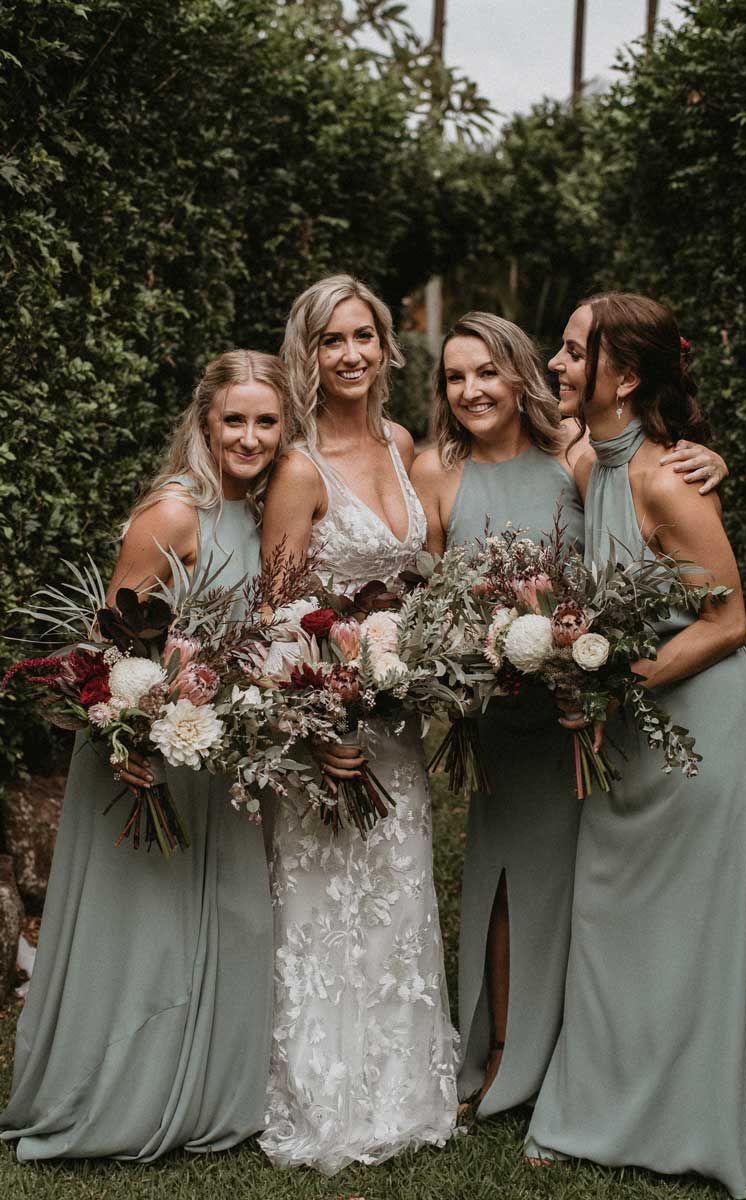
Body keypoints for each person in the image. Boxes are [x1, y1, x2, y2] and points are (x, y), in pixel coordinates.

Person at [411, 311, 728, 1126]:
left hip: (585, 711)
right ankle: (506, 1050)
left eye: (488, 371)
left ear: (521, 376)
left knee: (586, 886)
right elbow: (423, 599)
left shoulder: (577, 459)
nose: (472, 389)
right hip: (502, 716)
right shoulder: (434, 473)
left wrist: (711, 458)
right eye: (455, 376)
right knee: (508, 886)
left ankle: (582, 1055)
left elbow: (647, 513)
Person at [527, 292, 746, 1197]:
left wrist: (613, 684)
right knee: (612, 917)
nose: (558, 364)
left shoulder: (660, 478)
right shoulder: (588, 460)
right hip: (634, 727)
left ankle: (689, 1118)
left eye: (574, 352)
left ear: (625, 376)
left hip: (699, 728)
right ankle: (601, 1110)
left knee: (688, 934)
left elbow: (729, 620)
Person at [1, 350, 285, 1160]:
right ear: (204, 423)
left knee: (219, 916)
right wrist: (130, 736)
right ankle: (118, 1094)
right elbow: (107, 645)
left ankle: (203, 1093)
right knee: (144, 928)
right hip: (144, 753)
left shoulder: (258, 509)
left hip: (213, 748)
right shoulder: (174, 511)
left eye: (267, 422)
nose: (250, 436)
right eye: (235, 420)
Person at [257, 275, 458, 1175]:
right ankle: (325, 1092)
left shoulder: (403, 440)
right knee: (326, 908)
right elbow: (274, 614)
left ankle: (405, 1090)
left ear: (387, 345)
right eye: (332, 340)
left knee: (397, 893)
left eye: (364, 337)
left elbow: (421, 578)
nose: (351, 355)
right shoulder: (299, 466)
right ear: (311, 352)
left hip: (395, 719)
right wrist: (317, 718)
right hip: (329, 724)